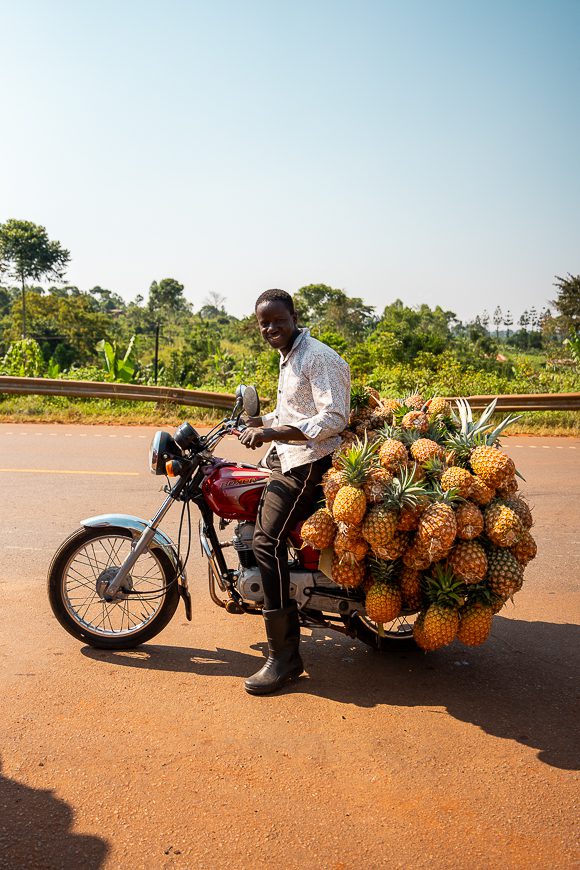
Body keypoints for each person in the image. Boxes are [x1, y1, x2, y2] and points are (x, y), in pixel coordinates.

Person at [238, 289, 350, 695]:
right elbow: (294, 413)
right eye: (263, 323)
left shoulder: (317, 356)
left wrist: (268, 432)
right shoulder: (289, 356)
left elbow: (334, 417)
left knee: (267, 542)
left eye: (276, 320)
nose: (270, 328)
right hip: (287, 457)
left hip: (309, 463)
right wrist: (254, 420)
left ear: (293, 316)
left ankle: (284, 657)